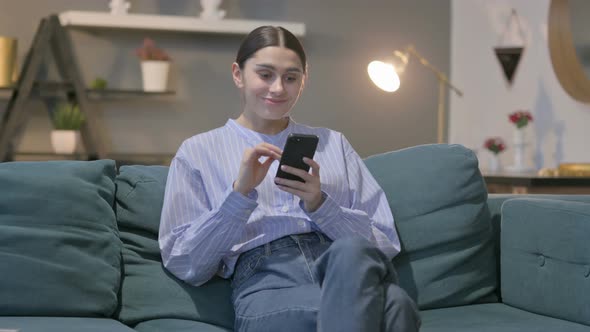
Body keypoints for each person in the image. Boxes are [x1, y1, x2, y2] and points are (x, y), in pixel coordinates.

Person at [159, 25, 420, 332]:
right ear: (238, 74)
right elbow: (184, 262)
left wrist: (321, 204)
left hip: (340, 269)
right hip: (267, 284)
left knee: (351, 252)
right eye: (265, 74)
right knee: (396, 308)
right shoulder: (198, 152)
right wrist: (239, 194)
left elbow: (384, 241)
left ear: (303, 81)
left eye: (291, 77)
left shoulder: (333, 143)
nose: (279, 88)